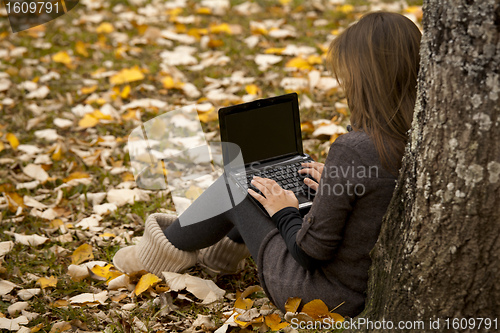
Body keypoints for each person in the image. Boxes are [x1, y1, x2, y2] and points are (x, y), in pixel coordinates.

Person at [113, 11, 421, 318]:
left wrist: (284, 211)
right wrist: (335, 185)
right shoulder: (418, 137)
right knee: (266, 185)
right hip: (362, 287)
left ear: (365, 80)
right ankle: (219, 259)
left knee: (237, 185)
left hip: (319, 294)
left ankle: (151, 258)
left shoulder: (354, 149)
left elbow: (309, 252)